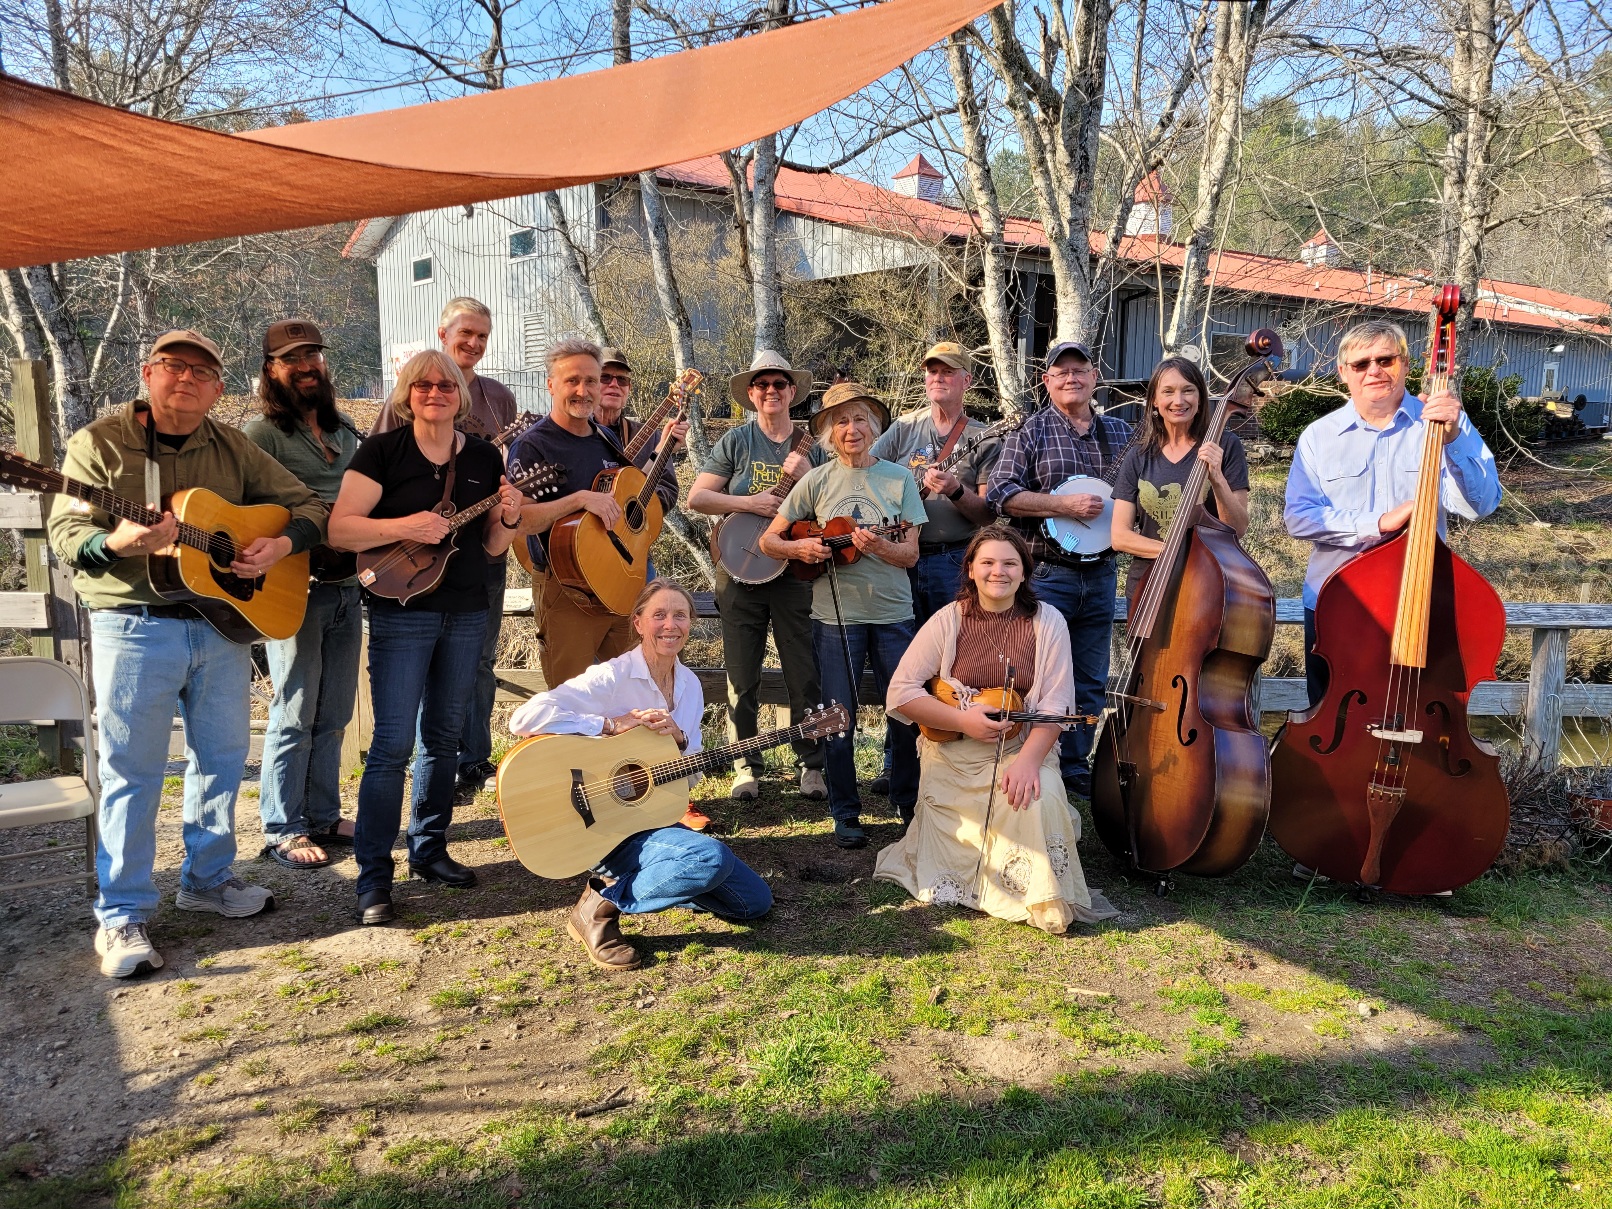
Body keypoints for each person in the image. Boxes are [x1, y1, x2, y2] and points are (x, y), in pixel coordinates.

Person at [45, 329, 327, 978]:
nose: (187, 380)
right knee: (133, 771)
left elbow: (306, 505)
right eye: (173, 367)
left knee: (223, 758)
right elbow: (67, 535)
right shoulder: (99, 443)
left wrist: (280, 547)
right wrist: (118, 542)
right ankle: (122, 913)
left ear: (218, 390)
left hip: (220, 624)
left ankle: (207, 878)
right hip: (133, 623)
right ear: (148, 373)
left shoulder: (229, 445)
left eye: (203, 373)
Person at [329, 349, 524, 925]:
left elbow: (491, 547)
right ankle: (373, 878)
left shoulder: (486, 456)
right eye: (423, 385)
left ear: (460, 396)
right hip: (400, 612)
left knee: (443, 737)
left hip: (466, 610)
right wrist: (405, 526)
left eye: (445, 385)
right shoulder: (383, 451)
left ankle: (430, 850)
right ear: (406, 393)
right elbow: (341, 529)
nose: (434, 392)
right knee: (390, 745)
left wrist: (509, 517)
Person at [508, 580, 773, 970]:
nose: (670, 625)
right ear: (638, 624)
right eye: (659, 615)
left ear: (691, 623)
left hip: (650, 818)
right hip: (599, 828)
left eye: (680, 615)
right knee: (709, 859)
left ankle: (666, 877)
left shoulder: (690, 686)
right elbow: (524, 717)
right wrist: (610, 725)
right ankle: (599, 905)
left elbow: (690, 778)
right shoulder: (612, 677)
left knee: (754, 903)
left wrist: (681, 741)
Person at [874, 528, 1119, 933]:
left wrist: (1027, 762)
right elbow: (900, 693)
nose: (997, 572)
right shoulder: (947, 620)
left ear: (1025, 572)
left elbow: (1057, 706)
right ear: (970, 569)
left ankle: (1035, 891)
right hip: (955, 752)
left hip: (1024, 746)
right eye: (987, 562)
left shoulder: (1049, 621)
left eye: (1010, 563)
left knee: (1037, 796)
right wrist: (962, 720)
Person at [1285, 318, 1501, 708]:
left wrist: (1453, 438)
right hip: (1337, 602)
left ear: (1405, 364)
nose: (1374, 371)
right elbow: (1299, 517)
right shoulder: (1318, 436)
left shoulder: (1442, 424)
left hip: (1422, 602)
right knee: (1332, 715)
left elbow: (1481, 504)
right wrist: (1377, 523)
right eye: (1361, 363)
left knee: (1421, 715)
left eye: (1386, 359)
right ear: (1343, 373)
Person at [759, 382, 928, 849]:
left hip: (894, 613)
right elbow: (769, 541)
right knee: (837, 715)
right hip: (833, 617)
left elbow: (911, 554)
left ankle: (907, 801)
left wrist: (881, 547)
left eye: (859, 420)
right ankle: (845, 811)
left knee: (907, 710)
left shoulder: (899, 478)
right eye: (841, 421)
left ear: (873, 427)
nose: (851, 429)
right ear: (829, 432)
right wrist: (801, 546)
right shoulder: (815, 480)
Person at [371, 297, 519, 803]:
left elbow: (503, 473)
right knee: (420, 664)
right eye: (465, 333)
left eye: (482, 335)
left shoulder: (499, 397)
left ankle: (472, 762)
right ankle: (430, 762)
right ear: (442, 332)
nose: (473, 343)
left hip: (481, 551)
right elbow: (380, 471)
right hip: (417, 558)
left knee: (478, 661)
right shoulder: (414, 387)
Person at [987, 340, 1132, 800]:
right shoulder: (1031, 433)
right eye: (1061, 371)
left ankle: (1074, 765)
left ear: (1094, 377)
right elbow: (999, 494)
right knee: (1038, 672)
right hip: (1048, 573)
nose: (1071, 378)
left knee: (1090, 678)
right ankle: (1034, 759)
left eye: (1080, 369)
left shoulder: (1121, 433)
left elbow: (1143, 491)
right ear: (1047, 381)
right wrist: (1061, 505)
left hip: (1103, 572)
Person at [244, 318, 363, 869]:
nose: (309, 364)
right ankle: (282, 827)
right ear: (272, 369)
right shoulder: (260, 436)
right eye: (294, 357)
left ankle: (321, 814)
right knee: (293, 708)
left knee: (335, 709)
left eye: (314, 353)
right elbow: (243, 513)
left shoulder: (346, 433)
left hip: (348, 588)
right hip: (293, 589)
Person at [688, 351, 828, 803]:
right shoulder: (736, 441)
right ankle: (745, 765)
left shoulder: (814, 446)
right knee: (741, 674)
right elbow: (698, 498)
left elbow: (837, 511)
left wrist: (810, 479)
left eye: (779, 384)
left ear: (792, 392)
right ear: (751, 394)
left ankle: (811, 763)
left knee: (802, 673)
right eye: (762, 384)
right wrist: (752, 503)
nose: (771, 391)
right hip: (740, 572)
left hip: (793, 570)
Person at [509, 338, 684, 688]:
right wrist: (579, 500)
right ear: (550, 385)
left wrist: (663, 450)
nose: (583, 390)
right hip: (567, 589)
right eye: (572, 380)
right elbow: (519, 521)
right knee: (570, 701)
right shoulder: (532, 445)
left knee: (636, 691)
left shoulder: (606, 437)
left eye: (591, 380)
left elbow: (630, 494)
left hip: (620, 586)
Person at [868, 340, 1002, 792]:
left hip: (953, 561)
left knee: (953, 660)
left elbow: (988, 513)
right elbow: (863, 469)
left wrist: (955, 491)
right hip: (898, 562)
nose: (938, 378)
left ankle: (951, 758)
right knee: (904, 664)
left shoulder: (985, 436)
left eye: (948, 371)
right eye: (931, 371)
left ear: (967, 380)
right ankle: (898, 764)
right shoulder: (904, 429)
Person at [1110, 356, 1250, 610]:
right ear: (1154, 401)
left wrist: (1216, 477)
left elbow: (1237, 528)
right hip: (1147, 586)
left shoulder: (1225, 445)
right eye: (1168, 392)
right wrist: (1179, 554)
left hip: (1207, 584)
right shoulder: (1139, 455)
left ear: (1200, 398)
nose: (1178, 400)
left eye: (1188, 390)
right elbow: (1120, 536)